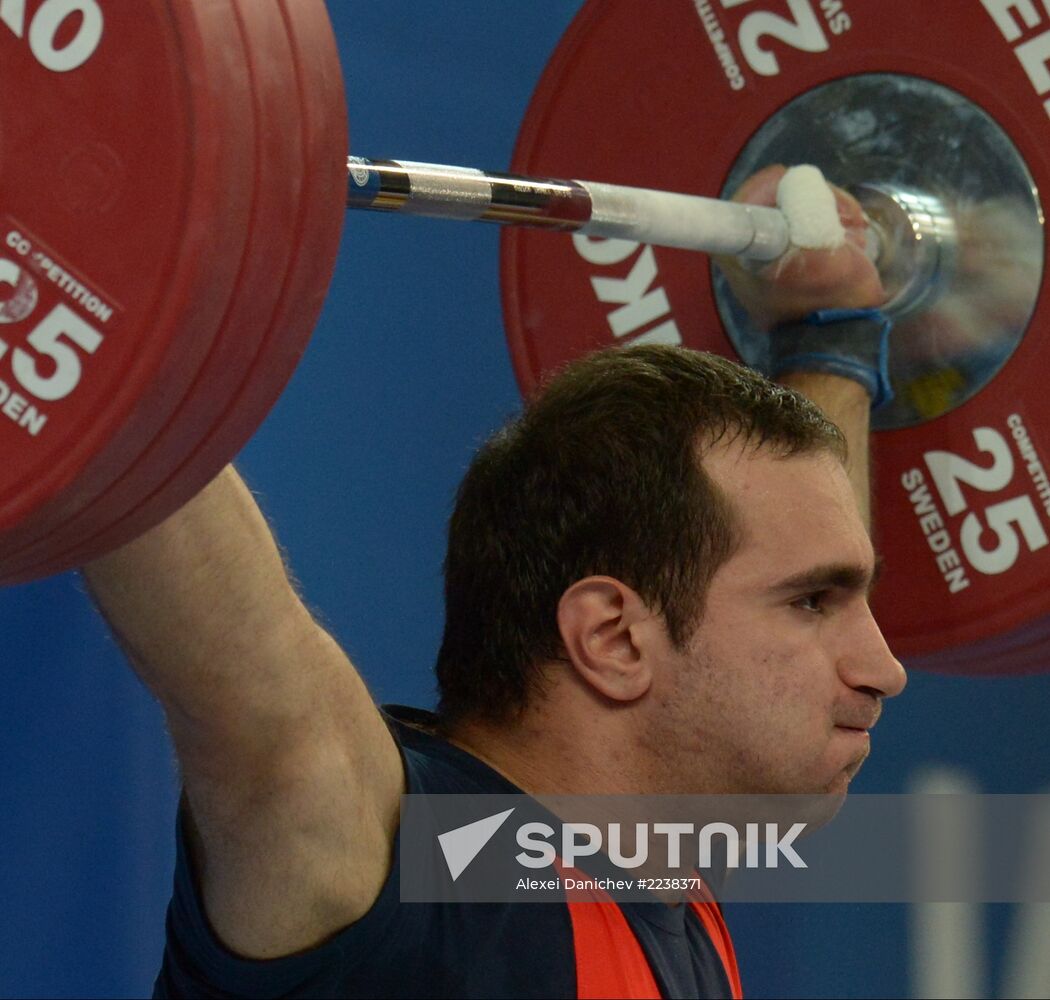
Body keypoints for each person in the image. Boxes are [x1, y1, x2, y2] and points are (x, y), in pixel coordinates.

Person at [83, 166, 906, 998]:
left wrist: (831, 338)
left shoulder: (662, 868)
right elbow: (262, 699)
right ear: (614, 639)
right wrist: (77, 302)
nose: (884, 668)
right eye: (813, 603)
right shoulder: (422, 864)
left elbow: (793, 534)